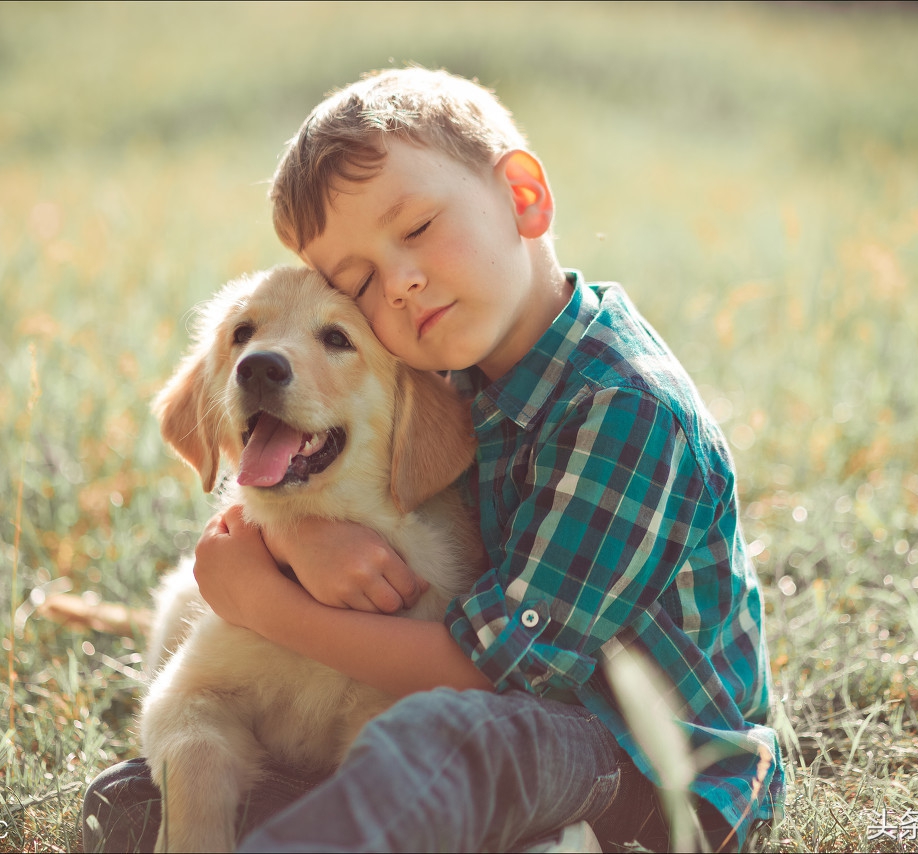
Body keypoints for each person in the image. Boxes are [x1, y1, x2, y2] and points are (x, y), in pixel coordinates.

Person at [82, 67, 783, 853]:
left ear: (523, 197)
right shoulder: (449, 366)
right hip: (492, 715)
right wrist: (295, 538)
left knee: (439, 737)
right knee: (383, 742)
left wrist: (269, 607)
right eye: (361, 281)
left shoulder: (628, 412)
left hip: (642, 769)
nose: (404, 283)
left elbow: (496, 673)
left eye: (415, 229)